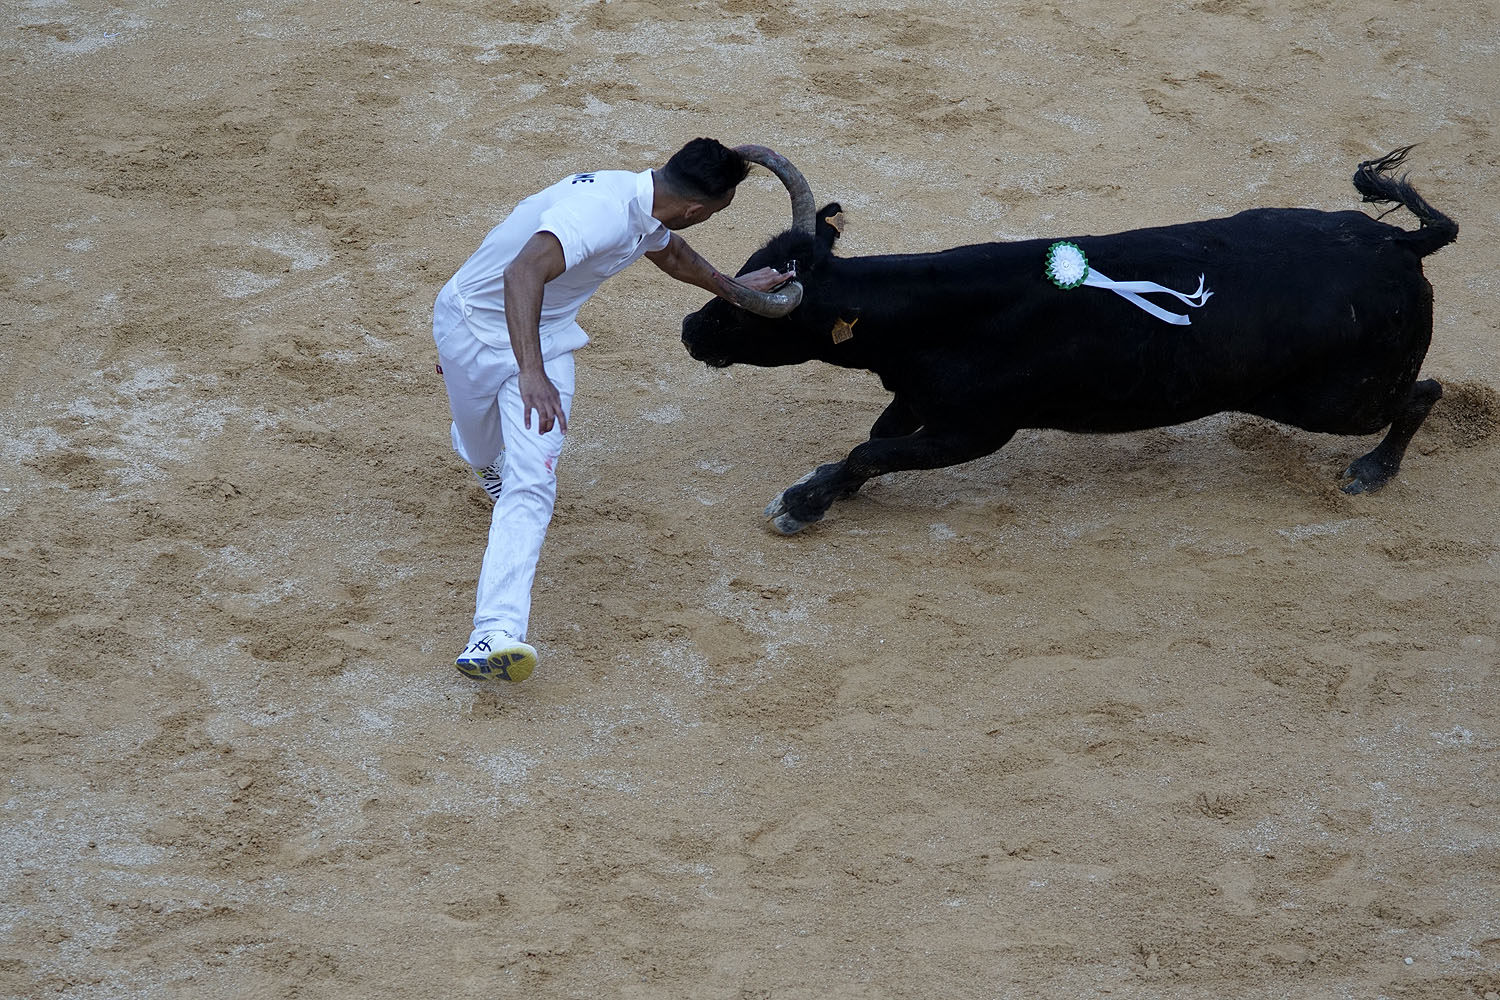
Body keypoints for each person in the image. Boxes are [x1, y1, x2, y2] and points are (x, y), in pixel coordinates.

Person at [433, 138, 794, 683]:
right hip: (472, 328)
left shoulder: (646, 202)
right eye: (717, 212)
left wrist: (733, 290)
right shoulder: (599, 212)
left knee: (531, 484)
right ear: (698, 209)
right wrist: (529, 374)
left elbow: (668, 250)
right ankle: (481, 454)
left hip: (545, 339)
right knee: (482, 447)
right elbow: (521, 273)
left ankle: (494, 632)